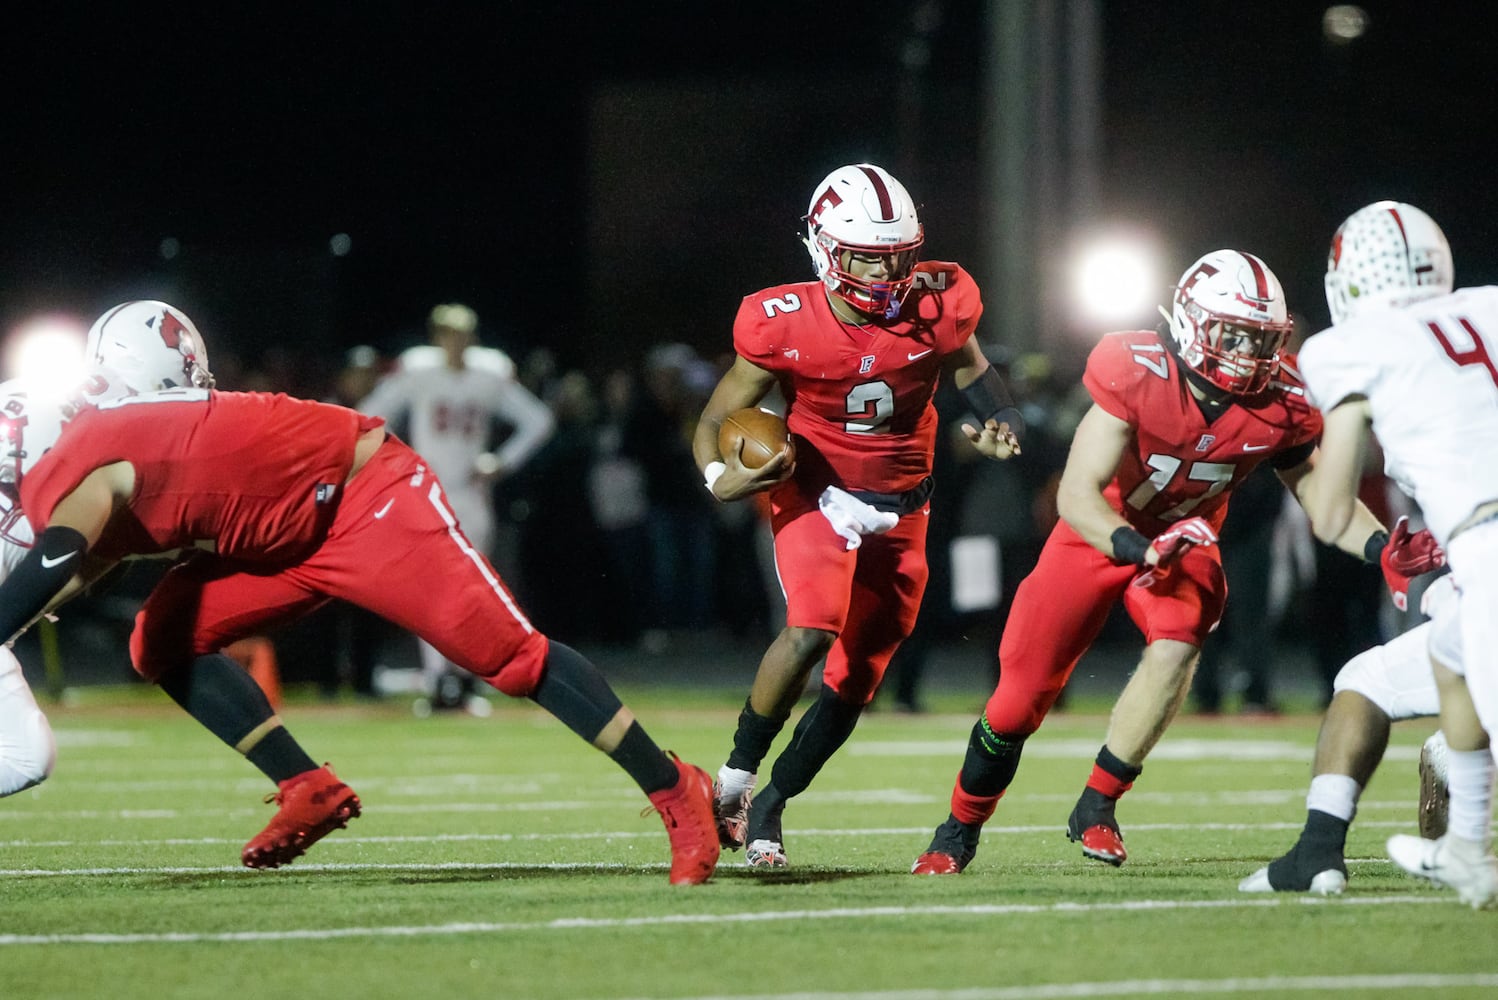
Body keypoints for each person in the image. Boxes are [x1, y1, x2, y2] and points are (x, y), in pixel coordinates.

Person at [0, 366, 719, 886]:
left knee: (510, 658)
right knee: (159, 641)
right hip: (280, 537)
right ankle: (305, 787)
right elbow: (77, 569)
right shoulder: (97, 455)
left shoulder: (76, 465)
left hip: (364, 498)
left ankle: (673, 786)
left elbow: (59, 553)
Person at [910, 249, 1419, 875]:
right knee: (1016, 703)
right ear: (1192, 321)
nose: (1248, 353)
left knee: (1179, 640)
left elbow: (1323, 500)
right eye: (1234, 333)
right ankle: (958, 828)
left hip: (1187, 537)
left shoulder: (1284, 398)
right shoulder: (1136, 367)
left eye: (1261, 339)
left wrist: (1381, 547)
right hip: (1100, 533)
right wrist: (1132, 545)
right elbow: (1077, 494)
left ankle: (1098, 803)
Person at [693, 163, 1022, 868]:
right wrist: (721, 476)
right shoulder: (781, 320)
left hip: (905, 509)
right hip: (818, 493)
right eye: (866, 256)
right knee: (811, 631)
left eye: (897, 256)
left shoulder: (940, 300)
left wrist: (1002, 416)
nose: (884, 271)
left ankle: (771, 805)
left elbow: (968, 363)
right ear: (823, 247)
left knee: (855, 684)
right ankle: (733, 781)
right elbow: (721, 412)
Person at [1296, 200, 1498, 908]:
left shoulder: (1350, 346)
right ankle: (1469, 847)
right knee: (1448, 656)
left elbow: (1326, 513)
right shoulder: (1490, 307)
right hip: (1474, 556)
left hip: (1489, 546)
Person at [0, 300, 218, 799]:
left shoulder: (27, 392)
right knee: (23, 756)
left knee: (28, 755)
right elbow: (67, 552)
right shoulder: (116, 432)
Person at [358, 303, 555, 715]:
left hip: (471, 492)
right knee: (429, 586)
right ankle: (439, 681)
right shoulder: (418, 369)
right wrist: (398, 460)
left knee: (472, 589)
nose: (456, 342)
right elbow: (372, 414)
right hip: (426, 491)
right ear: (437, 336)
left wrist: (501, 462)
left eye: (462, 333)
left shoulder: (489, 373)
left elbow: (538, 420)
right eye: (448, 333)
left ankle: (466, 678)